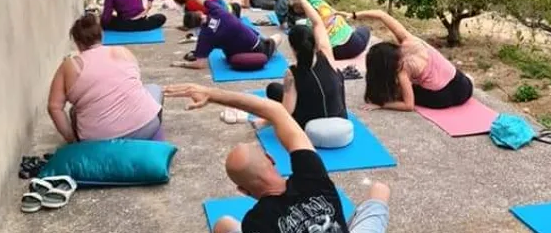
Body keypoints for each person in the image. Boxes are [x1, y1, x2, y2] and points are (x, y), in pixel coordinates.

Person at [163, 83, 390, 233]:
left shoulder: (256, 222)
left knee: (223, 225)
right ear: (271, 159)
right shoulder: (311, 176)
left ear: (242, 190)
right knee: (380, 189)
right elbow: (277, 112)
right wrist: (212, 94)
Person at [47, 14, 163, 142]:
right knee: (153, 89)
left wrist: (72, 140)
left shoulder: (70, 66)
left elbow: (54, 107)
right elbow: (134, 85)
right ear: (101, 36)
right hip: (145, 129)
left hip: (96, 140)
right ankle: (150, 138)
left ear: (78, 43)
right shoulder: (122, 52)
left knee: (75, 112)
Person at [255, 0, 347, 131]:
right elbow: (318, 23)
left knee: (273, 89)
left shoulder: (292, 74)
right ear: (313, 42)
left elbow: (287, 112)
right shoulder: (327, 55)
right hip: (341, 122)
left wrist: (264, 121)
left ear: (292, 48)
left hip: (310, 128)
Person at [349, 9, 473, 111]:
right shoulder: (409, 39)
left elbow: (409, 105)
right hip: (464, 85)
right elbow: (381, 15)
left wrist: (381, 105)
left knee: (398, 92)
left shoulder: (402, 68)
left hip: (441, 98)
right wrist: (354, 15)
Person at [261, 0, 371, 61]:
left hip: (336, 52)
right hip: (355, 43)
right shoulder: (319, 3)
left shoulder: (308, 24)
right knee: (364, 28)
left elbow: (313, 46)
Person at [163, 0, 281, 71]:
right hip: (254, 44)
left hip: (241, 53)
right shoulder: (217, 10)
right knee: (277, 36)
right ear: (199, 12)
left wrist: (180, 64)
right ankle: (269, 47)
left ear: (194, 27)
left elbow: (199, 64)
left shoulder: (205, 37)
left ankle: (267, 49)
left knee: (272, 39)